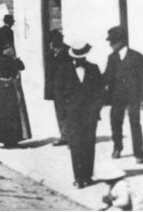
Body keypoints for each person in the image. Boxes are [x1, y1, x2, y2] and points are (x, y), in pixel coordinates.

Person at [60, 39, 105, 189]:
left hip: (90, 114)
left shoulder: (93, 68)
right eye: (77, 57)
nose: (80, 59)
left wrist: (96, 108)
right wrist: (63, 114)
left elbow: (100, 92)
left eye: (82, 56)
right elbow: (59, 94)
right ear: (73, 57)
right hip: (72, 115)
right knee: (75, 145)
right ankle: (78, 177)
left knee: (89, 144)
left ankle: (88, 175)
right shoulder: (64, 70)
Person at [103, 25, 143, 164]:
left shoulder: (136, 56)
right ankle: (117, 147)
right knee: (115, 122)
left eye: (112, 42)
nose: (110, 45)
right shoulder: (112, 57)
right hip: (117, 97)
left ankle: (139, 153)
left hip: (134, 96)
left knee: (135, 123)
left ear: (119, 41)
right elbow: (107, 76)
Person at [0, 47, 32, 148]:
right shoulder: (9, 61)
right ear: (6, 51)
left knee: (2, 114)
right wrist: (17, 59)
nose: (12, 51)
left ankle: (6, 140)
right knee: (12, 114)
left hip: (1, 89)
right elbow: (22, 67)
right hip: (9, 90)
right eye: (10, 49)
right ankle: (11, 140)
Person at [45, 29, 72, 146]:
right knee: (60, 113)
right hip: (56, 90)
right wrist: (48, 92)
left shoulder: (69, 52)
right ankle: (64, 136)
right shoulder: (50, 53)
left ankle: (70, 136)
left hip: (68, 88)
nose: (53, 45)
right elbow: (48, 74)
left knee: (69, 112)